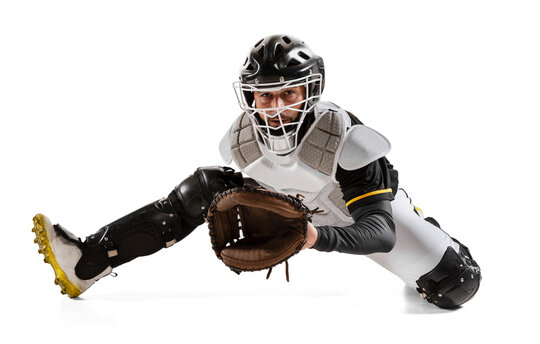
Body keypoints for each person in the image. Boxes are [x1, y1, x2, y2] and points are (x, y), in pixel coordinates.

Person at [32, 34, 481, 308]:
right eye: (265, 96)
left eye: (288, 93)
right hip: (318, 217)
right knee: (204, 189)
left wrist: (314, 238)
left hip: (410, 250)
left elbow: (380, 233)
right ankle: (88, 261)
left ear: (311, 90)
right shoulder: (243, 142)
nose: (276, 106)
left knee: (454, 287)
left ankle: (437, 239)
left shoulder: (346, 139)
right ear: (250, 96)